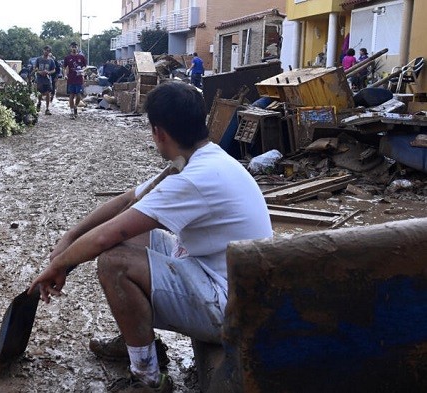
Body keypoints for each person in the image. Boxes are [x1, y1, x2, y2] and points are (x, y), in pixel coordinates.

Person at [28, 81, 273, 392]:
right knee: (128, 240)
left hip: (231, 309)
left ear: (159, 133)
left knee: (114, 262)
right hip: (223, 279)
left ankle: (148, 379)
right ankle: (138, 341)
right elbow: (126, 201)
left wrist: (59, 265)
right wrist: (70, 237)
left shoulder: (195, 178)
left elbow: (109, 235)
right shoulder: (201, 160)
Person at [63, 41, 87, 120]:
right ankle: (72, 111)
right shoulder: (67, 58)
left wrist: (82, 71)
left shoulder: (81, 57)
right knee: (71, 95)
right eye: (72, 47)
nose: (74, 48)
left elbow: (85, 67)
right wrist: (65, 75)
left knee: (79, 95)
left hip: (79, 78)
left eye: (75, 47)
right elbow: (65, 68)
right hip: (71, 79)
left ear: (77, 48)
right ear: (70, 48)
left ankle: (76, 106)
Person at [35, 45, 56, 115]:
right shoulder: (38, 59)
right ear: (43, 50)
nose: (47, 52)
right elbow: (35, 68)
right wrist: (39, 72)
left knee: (48, 93)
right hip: (40, 79)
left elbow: (53, 70)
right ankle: (39, 102)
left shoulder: (51, 60)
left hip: (47, 79)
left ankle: (47, 108)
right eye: (46, 50)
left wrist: (49, 72)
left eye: (48, 51)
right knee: (40, 93)